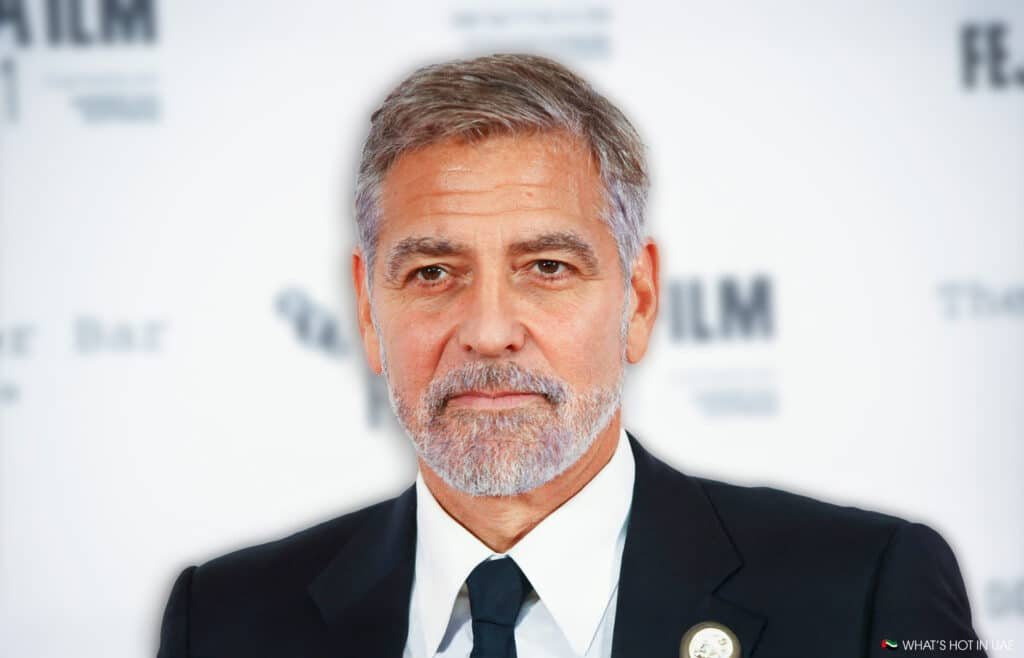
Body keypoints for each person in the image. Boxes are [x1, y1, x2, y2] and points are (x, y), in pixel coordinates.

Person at [157, 53, 985, 658]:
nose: (487, 330)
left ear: (639, 301)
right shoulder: (226, 619)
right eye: (433, 271)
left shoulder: (869, 588)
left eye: (546, 268)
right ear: (370, 314)